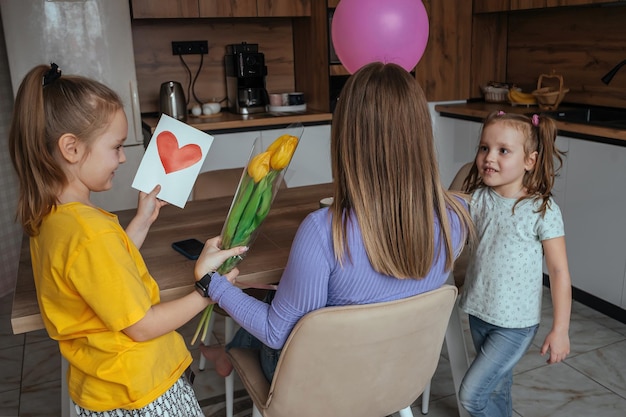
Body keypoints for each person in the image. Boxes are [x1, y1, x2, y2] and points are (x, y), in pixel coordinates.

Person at [199, 61, 474, 382]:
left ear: (346, 138)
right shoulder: (454, 217)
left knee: (279, 306)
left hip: (324, 381)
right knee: (290, 297)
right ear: (422, 134)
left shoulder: (323, 231)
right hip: (397, 374)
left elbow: (276, 333)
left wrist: (211, 283)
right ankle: (228, 352)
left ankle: (229, 352)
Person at [8, 63, 247, 416]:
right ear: (71, 148)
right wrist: (207, 290)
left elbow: (98, 277)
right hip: (143, 392)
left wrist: (141, 222)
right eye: (116, 146)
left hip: (103, 389)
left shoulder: (53, 219)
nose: (122, 157)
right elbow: (142, 325)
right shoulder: (91, 231)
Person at [457, 111, 572, 417]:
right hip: (480, 313)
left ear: (529, 161)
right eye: (484, 148)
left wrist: (560, 329)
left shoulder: (542, 209)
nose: (489, 157)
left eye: (503, 150)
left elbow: (559, 272)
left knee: (471, 395)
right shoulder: (479, 199)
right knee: (496, 386)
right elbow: (447, 204)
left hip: (516, 324)